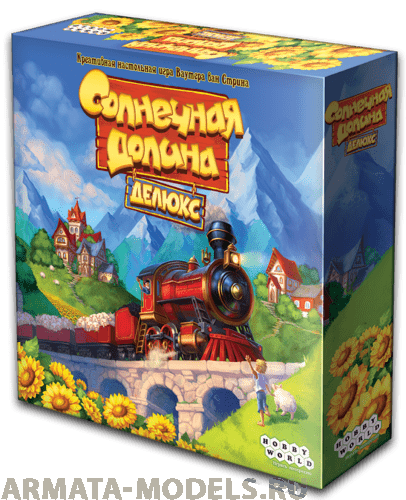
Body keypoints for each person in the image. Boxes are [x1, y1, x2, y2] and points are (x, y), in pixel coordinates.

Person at [245, 355, 271, 427]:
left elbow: (253, 371)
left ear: (259, 367)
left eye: (256, 365)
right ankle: (268, 413)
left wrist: (249, 363)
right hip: (264, 393)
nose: (255, 366)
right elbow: (266, 385)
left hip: (259, 393)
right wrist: (270, 392)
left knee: (260, 408)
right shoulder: (263, 376)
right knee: (264, 403)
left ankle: (262, 423)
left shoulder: (258, 375)